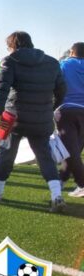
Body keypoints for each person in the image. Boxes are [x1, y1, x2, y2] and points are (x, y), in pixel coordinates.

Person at [0, 31, 67, 212]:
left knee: (6, 153)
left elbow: (1, 89)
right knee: (45, 157)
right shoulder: (52, 62)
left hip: (14, 117)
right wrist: (52, 107)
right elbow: (62, 89)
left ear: (13, 45)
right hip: (42, 118)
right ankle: (56, 195)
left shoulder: (10, 61)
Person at [56, 42, 84, 197]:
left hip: (68, 109)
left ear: (72, 52)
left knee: (69, 150)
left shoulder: (65, 64)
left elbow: (56, 84)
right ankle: (62, 179)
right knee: (73, 149)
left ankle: (82, 183)